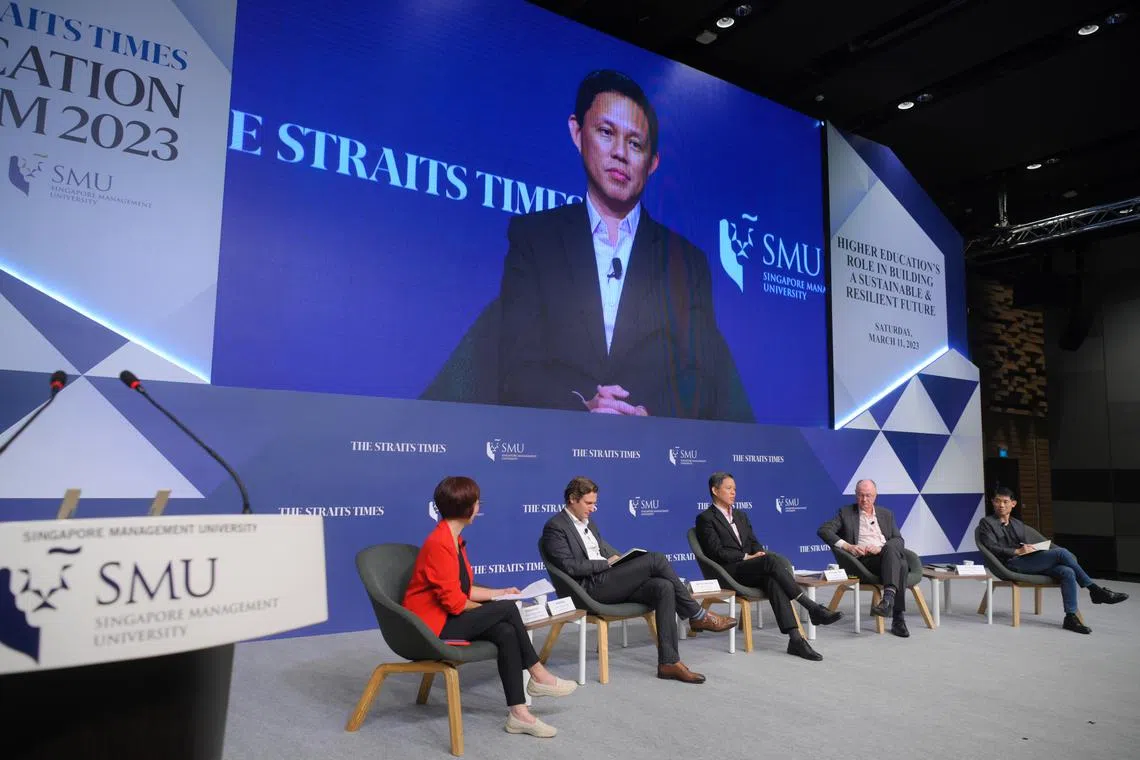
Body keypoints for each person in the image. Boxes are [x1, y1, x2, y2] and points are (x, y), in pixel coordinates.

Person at [496, 69, 752, 422]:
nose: (620, 153)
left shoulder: (687, 262)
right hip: (555, 443)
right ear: (577, 132)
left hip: (655, 448)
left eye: (635, 144)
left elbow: (702, 377)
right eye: (606, 132)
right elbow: (516, 366)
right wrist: (581, 406)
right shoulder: (534, 238)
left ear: (653, 163)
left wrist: (649, 414)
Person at [404, 476, 577, 739]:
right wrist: (498, 606)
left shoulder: (454, 540)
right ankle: (538, 674)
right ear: (467, 508)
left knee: (506, 631)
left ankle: (519, 715)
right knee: (508, 611)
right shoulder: (440, 544)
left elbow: (464, 590)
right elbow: (455, 602)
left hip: (448, 616)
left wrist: (500, 593)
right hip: (431, 628)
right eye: (477, 503)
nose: (478, 507)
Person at [540, 476, 736, 683]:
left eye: (595, 503)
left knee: (663, 586)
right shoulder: (555, 527)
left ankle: (669, 663)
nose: (593, 508)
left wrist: (623, 561)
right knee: (656, 560)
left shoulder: (589, 523)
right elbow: (570, 567)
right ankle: (696, 614)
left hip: (608, 581)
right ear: (572, 499)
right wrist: (606, 564)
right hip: (588, 589)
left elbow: (604, 551)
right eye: (589, 503)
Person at [695, 472, 842, 661]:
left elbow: (754, 542)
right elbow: (715, 552)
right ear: (715, 490)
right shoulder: (706, 518)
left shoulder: (740, 515)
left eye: (735, 489)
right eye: (729, 488)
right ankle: (812, 608)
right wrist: (748, 556)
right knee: (771, 562)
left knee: (772, 578)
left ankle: (796, 640)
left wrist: (758, 554)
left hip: (749, 568)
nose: (733, 493)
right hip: (728, 571)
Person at [977, 486, 1127, 634]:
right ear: (992, 502)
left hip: (1027, 560)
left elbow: (1021, 544)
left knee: (1067, 571)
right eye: (997, 501)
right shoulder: (986, 523)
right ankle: (1094, 590)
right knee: (1061, 553)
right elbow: (991, 547)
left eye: (1005, 501)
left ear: (1013, 504)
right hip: (1009, 564)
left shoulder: (1017, 524)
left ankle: (1070, 617)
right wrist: (1016, 551)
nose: (1001, 505)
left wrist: (1029, 547)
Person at [817, 479, 912, 638]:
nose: (864, 500)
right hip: (864, 562)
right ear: (856, 495)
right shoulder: (846, 513)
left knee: (893, 553)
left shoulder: (886, 514)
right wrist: (848, 546)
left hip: (885, 555)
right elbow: (824, 530)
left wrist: (881, 548)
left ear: (875, 496)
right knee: (901, 564)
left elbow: (898, 539)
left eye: (868, 495)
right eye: (861, 495)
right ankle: (898, 619)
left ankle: (888, 601)